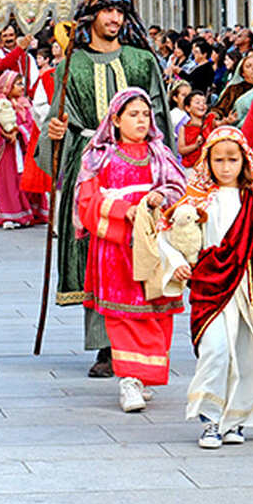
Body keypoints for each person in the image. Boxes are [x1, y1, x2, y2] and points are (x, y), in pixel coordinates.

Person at [36, 0, 174, 379]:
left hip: (139, 168)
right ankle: (104, 345)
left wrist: (165, 169)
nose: (114, 19)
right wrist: (56, 135)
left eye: (120, 12)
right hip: (90, 168)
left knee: (139, 251)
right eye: (107, 12)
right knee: (96, 254)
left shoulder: (141, 61)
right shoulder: (70, 66)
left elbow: (159, 118)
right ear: (91, 17)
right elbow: (53, 129)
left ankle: (139, 341)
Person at [157, 127, 253, 449]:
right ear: (207, 161)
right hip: (212, 287)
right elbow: (168, 234)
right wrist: (176, 261)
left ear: (244, 160)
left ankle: (235, 420)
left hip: (252, 288)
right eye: (218, 160)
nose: (225, 167)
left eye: (232, 160)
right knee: (215, 350)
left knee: (250, 355)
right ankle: (209, 420)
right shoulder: (196, 199)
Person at [76, 88, 187, 412]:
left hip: (154, 245)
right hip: (116, 248)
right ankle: (129, 380)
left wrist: (160, 198)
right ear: (116, 119)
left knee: (156, 312)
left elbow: (179, 189)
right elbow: (87, 202)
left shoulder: (160, 154)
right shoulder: (99, 157)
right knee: (124, 316)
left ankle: (142, 375)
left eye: (145, 114)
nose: (141, 120)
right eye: (133, 114)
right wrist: (124, 209)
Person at [0, 71, 48, 229]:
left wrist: (19, 130)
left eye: (22, 84)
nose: (21, 87)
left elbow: (32, 124)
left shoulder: (24, 104)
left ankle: (30, 211)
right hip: (6, 149)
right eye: (18, 84)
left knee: (24, 179)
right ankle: (9, 214)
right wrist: (4, 132)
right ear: (8, 86)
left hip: (23, 147)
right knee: (8, 180)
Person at [177, 91, 215, 170]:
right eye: (197, 102)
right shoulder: (183, 128)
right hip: (191, 168)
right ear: (188, 108)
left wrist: (228, 121)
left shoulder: (210, 121)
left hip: (210, 166)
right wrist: (195, 145)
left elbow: (220, 124)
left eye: (204, 102)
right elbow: (181, 150)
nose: (202, 104)